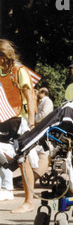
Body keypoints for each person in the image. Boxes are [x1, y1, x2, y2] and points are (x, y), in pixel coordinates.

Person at [0, 39, 36, 212]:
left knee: (24, 160)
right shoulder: (1, 71)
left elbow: (30, 97)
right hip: (6, 120)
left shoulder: (18, 70)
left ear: (3, 56)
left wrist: (30, 123)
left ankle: (29, 202)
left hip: (20, 121)